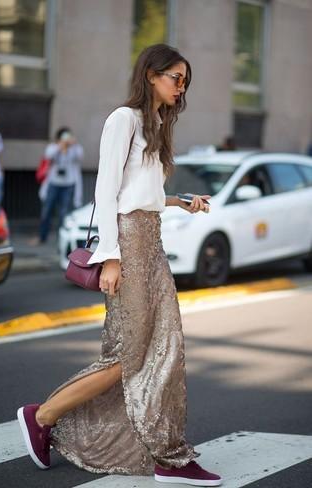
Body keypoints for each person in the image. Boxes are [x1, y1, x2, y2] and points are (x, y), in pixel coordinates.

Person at [17, 44, 222, 486]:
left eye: (186, 79)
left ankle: (168, 454)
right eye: (175, 77)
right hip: (127, 245)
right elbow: (106, 192)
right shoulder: (123, 119)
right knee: (129, 356)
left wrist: (179, 201)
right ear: (151, 74)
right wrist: (110, 258)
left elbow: (140, 194)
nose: (181, 85)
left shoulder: (158, 125)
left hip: (152, 241)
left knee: (165, 348)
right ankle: (43, 415)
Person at [36, 127, 83, 243]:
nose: (66, 139)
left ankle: (61, 240)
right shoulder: (53, 147)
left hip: (68, 184)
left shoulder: (74, 148)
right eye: (64, 137)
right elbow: (48, 156)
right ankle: (42, 237)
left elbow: (80, 156)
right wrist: (60, 146)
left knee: (63, 213)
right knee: (46, 211)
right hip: (53, 183)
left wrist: (74, 145)